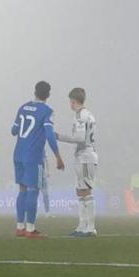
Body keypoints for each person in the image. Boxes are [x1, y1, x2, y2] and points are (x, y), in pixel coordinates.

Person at [11, 81, 65, 239]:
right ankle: (30, 229)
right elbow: (49, 134)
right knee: (33, 191)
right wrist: (58, 156)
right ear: (48, 95)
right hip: (33, 156)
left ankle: (19, 227)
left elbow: (13, 130)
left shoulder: (22, 107)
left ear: (34, 92)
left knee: (22, 190)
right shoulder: (47, 111)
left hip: (18, 154)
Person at [56, 87, 98, 237]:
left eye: (70, 101)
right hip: (83, 155)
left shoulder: (81, 115)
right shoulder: (88, 114)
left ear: (73, 101)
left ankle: (91, 227)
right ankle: (82, 226)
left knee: (86, 190)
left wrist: (59, 136)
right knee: (80, 190)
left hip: (86, 155)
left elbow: (80, 138)